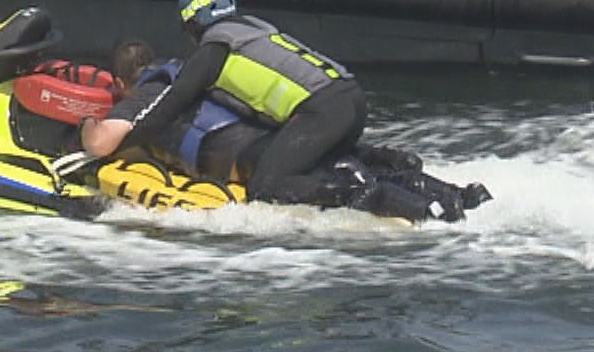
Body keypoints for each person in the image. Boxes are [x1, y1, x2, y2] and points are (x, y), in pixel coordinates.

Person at [81, 41, 487, 222]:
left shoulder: (145, 92)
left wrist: (87, 121)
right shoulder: (191, 70)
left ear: (120, 82)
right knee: (344, 162)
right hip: (281, 136)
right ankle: (452, 196)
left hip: (241, 157)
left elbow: (101, 144)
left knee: (322, 183)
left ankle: (400, 204)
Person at [80, 0, 368, 209]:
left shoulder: (212, 52)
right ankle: (385, 166)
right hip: (351, 96)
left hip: (321, 111)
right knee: (321, 156)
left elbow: (165, 110)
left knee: (265, 187)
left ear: (193, 25)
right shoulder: (255, 28)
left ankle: (354, 197)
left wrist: (123, 143)